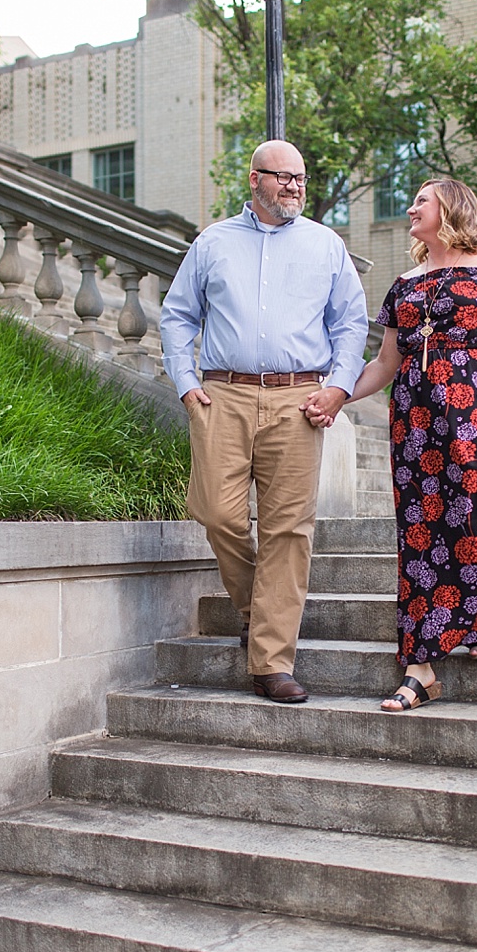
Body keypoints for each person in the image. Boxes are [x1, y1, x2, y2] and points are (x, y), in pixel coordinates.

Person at [159, 139, 369, 704]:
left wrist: (339, 387)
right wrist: (186, 381)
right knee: (217, 513)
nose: (295, 187)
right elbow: (178, 316)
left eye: (301, 178)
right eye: (283, 178)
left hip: (299, 399)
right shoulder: (213, 243)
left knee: (287, 530)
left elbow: (351, 322)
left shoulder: (326, 245)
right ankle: (260, 610)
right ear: (255, 179)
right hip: (222, 395)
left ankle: (271, 662)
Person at [341, 177, 477, 711]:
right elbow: (387, 363)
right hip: (413, 420)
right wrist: (336, 395)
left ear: (450, 210)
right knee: (420, 532)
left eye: (421, 201)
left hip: (476, 412)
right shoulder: (404, 284)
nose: (411, 208)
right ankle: (420, 667)